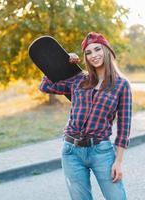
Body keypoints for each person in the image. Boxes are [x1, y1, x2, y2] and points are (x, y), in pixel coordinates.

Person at [38, 32, 132, 200]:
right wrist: (62, 64)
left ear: (107, 50)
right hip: (71, 151)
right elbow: (45, 86)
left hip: (101, 151)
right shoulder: (79, 80)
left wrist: (118, 162)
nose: (94, 55)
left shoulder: (121, 85)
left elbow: (124, 129)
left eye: (97, 49)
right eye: (88, 52)